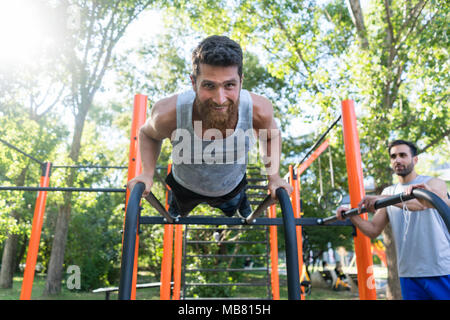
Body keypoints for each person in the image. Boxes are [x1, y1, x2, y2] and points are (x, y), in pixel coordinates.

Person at [127, 35, 292, 219]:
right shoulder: (169, 112)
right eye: (209, 85)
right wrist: (147, 174)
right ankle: (178, 206)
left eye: (229, 85)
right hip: (184, 185)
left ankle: (241, 201)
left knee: (233, 207)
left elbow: (271, 136)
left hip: (229, 186)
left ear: (241, 82)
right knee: (178, 210)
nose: (219, 98)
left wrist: (274, 177)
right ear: (193, 83)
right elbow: (148, 134)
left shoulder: (258, 110)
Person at [336, 139, 450, 300]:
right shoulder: (389, 191)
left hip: (441, 269)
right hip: (408, 273)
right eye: (393, 156)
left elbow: (421, 204)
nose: (397, 160)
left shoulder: (433, 183)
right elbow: (374, 230)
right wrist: (352, 216)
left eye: (403, 155)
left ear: (415, 159)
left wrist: (381, 198)